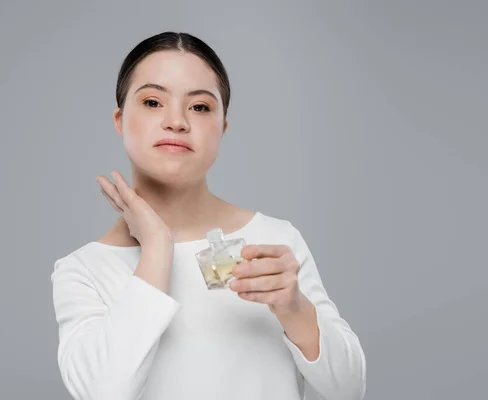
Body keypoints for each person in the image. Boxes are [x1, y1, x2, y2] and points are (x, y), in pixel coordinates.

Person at [51, 31, 366, 400]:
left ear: (222, 128)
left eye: (200, 107)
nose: (177, 121)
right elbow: (104, 393)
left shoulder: (274, 243)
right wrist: (156, 248)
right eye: (153, 102)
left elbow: (349, 390)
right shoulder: (83, 271)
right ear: (120, 120)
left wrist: (294, 307)